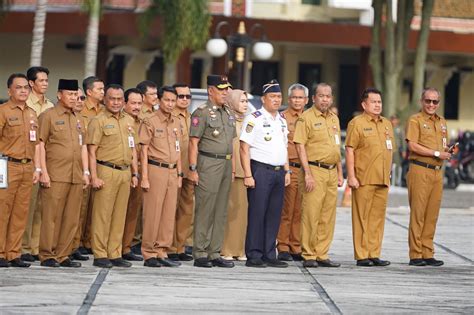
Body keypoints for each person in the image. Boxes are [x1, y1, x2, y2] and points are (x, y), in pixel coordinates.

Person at [38, 79, 90, 268]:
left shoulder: (78, 118)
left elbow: (83, 146)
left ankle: (63, 254)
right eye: (70, 94)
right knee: (52, 217)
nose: (74, 98)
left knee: (71, 217)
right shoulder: (48, 116)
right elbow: (40, 145)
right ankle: (47, 254)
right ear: (60, 95)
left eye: (76, 95)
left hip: (75, 175)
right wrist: (42, 171)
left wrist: (86, 171)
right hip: (55, 174)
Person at [240, 79, 291, 268]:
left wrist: (287, 170)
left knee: (274, 214)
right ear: (263, 99)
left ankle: (270, 253)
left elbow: (284, 147)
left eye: (279, 96)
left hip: (278, 172)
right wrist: (247, 174)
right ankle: (254, 254)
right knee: (257, 213)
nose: (276, 100)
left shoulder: (282, 120)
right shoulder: (254, 118)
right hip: (260, 170)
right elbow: (244, 147)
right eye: (272, 97)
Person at [87, 84, 138, 268]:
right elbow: (91, 151)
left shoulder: (129, 121)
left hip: (125, 172)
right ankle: (100, 254)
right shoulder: (98, 121)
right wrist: (94, 176)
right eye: (112, 99)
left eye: (119, 99)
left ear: (123, 102)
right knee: (102, 215)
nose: (116, 102)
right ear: (105, 100)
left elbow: (133, 148)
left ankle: (114, 253)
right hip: (105, 171)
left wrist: (135, 173)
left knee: (119, 215)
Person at [294, 83, 344, 268]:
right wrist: (307, 174)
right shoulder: (305, 118)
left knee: (327, 215)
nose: (325, 99)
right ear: (314, 98)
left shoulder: (334, 119)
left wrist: (340, 172)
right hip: (314, 170)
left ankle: (322, 253)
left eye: (328, 96)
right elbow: (300, 146)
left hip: (331, 171)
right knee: (311, 214)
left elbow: (336, 147)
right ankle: (308, 254)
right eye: (321, 96)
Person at [188, 74, 235, 268]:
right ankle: (200, 252)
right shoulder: (202, 112)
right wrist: (192, 168)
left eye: (227, 89)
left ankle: (214, 252)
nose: (226, 93)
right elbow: (193, 142)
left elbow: (231, 140)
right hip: (208, 163)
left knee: (221, 210)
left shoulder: (228, 112)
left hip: (225, 164)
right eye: (221, 89)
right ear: (211, 91)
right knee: (205, 208)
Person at [345, 87, 394, 267]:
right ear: (364, 104)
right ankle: (362, 254)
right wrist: (351, 176)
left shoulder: (387, 124)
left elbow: (390, 151)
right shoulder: (356, 123)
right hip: (363, 178)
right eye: (373, 102)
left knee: (377, 218)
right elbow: (349, 149)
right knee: (361, 217)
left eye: (379, 102)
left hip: (382, 179)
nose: (377, 105)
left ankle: (374, 253)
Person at [406, 88, 451, 267]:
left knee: (432, 214)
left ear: (438, 103)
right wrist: (436, 152)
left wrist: (446, 152)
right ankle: (415, 254)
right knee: (418, 213)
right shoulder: (415, 120)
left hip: (437, 172)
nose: (431, 105)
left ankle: (427, 251)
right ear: (421, 101)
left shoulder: (442, 122)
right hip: (420, 169)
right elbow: (413, 146)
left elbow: (442, 146)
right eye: (428, 101)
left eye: (435, 102)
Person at [0, 73, 41, 268]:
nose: (23, 90)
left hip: (27, 166)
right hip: (7, 165)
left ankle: (13, 253)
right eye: (19, 87)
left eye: (26, 87)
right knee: (3, 211)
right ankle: (0, 252)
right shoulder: (3, 111)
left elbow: (36, 143)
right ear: (9, 90)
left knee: (20, 212)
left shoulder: (32, 113)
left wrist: (36, 167)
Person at [140, 86, 182, 268]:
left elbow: (178, 149)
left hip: (172, 171)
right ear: (159, 100)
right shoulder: (150, 121)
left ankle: (162, 251)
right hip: (155, 169)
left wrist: (180, 173)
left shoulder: (176, 122)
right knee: (153, 212)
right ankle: (148, 253)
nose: (170, 104)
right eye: (167, 100)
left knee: (168, 213)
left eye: (173, 100)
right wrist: (144, 177)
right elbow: (142, 150)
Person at [21, 66, 54, 263]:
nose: (45, 84)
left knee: (43, 207)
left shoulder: (50, 106)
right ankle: (22, 247)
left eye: (46, 81)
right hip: (30, 161)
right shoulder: (26, 105)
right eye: (41, 81)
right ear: (31, 83)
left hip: (49, 161)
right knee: (28, 207)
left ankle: (35, 247)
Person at [276, 83, 308, 262]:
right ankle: (282, 246)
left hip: (307, 170)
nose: (297, 100)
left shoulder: (309, 118)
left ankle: (296, 246)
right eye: (294, 97)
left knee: (300, 210)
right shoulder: (282, 118)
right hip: (291, 168)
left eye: (300, 98)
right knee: (287, 210)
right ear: (289, 99)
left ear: (306, 100)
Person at [75, 76, 105, 258]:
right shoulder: (80, 110)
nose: (102, 92)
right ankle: (76, 242)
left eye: (103, 89)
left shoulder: (103, 111)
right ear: (89, 92)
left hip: (101, 163)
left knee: (95, 206)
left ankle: (88, 241)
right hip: (82, 163)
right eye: (99, 89)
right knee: (81, 206)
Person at [221, 89, 249, 261]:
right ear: (232, 102)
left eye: (246, 101)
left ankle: (239, 249)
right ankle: (226, 250)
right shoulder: (227, 120)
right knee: (229, 211)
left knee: (242, 213)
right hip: (230, 170)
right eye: (242, 101)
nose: (245, 104)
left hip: (245, 171)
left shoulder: (247, 121)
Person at [168, 83, 194, 262]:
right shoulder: (168, 117)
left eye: (187, 96)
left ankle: (180, 247)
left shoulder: (192, 117)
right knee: (170, 209)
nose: (184, 99)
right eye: (181, 96)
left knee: (186, 210)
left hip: (189, 169)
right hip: (172, 170)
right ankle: (168, 246)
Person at [121, 88, 145, 262]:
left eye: (139, 103)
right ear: (125, 103)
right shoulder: (122, 121)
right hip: (121, 169)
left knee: (132, 212)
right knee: (117, 211)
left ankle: (126, 247)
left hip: (138, 171)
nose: (137, 107)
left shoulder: (143, 122)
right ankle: (111, 247)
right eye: (133, 103)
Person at [390, 115, 406, 186]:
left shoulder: (400, 129)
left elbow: (403, 140)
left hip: (397, 150)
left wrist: (404, 150)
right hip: (389, 149)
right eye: (392, 120)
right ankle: (390, 180)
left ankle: (397, 180)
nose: (394, 121)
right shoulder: (389, 128)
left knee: (397, 165)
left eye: (395, 120)